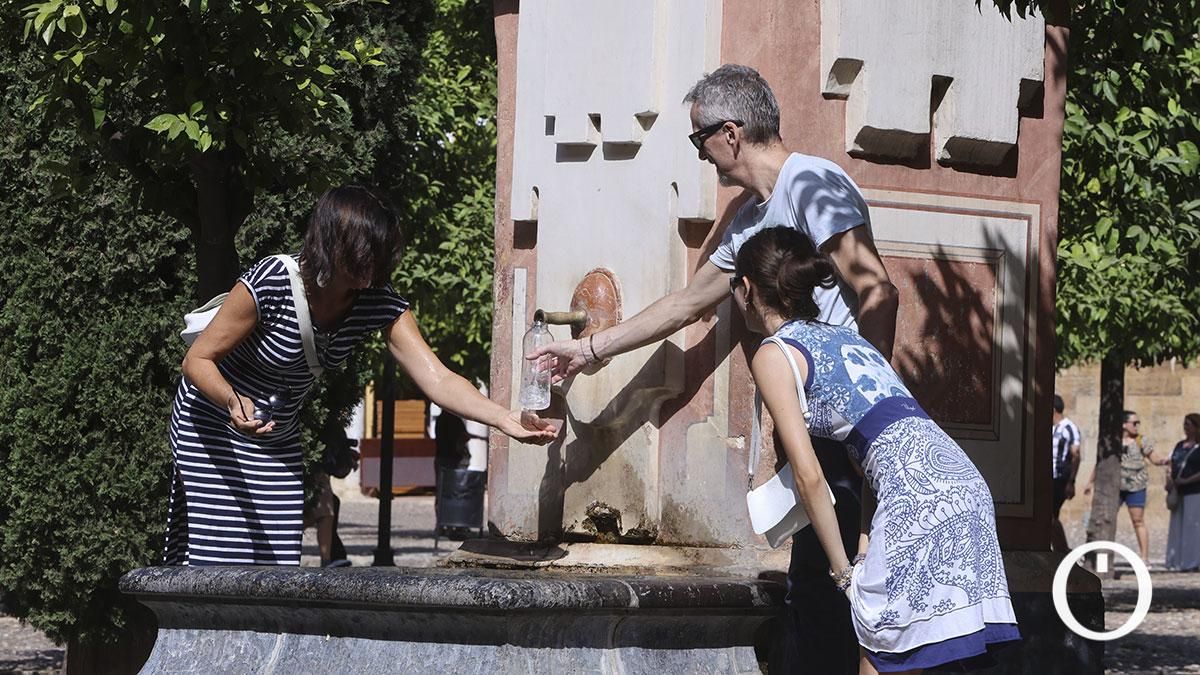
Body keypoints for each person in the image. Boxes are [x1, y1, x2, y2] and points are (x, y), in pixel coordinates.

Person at [531, 63, 898, 674]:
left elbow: (879, 292)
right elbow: (685, 304)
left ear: (730, 133)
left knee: (832, 595)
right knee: (814, 591)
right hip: (810, 430)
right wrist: (591, 350)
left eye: (697, 137)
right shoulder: (751, 217)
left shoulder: (813, 185)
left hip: (849, 430)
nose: (698, 154)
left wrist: (873, 413)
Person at [163, 185, 558, 566]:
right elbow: (197, 360)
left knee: (276, 561)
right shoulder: (273, 281)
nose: (372, 268)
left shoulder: (376, 302)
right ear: (333, 243)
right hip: (212, 423)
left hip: (275, 435)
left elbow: (438, 378)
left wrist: (503, 418)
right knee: (217, 556)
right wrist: (233, 401)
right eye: (364, 253)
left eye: (380, 254)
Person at [733, 226, 1018, 673]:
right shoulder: (850, 339)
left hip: (915, 494)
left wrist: (843, 573)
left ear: (745, 288)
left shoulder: (774, 354)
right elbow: (870, 457)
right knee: (920, 657)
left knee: (882, 653)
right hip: (960, 481)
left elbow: (810, 477)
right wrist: (866, 546)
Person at [1084, 410, 1169, 563]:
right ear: (1124, 424)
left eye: (1138, 423)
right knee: (1105, 519)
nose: (1137, 426)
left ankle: (1144, 557)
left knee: (1138, 521)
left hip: (1136, 486)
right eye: (1134, 423)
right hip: (1114, 487)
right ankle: (1099, 557)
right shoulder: (1112, 441)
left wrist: (1164, 461)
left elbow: (1154, 457)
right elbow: (1101, 463)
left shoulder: (1141, 441)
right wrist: (1090, 482)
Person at [1166, 413, 1200, 571]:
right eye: (1184, 424)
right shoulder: (1180, 445)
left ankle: (1191, 562)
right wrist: (1169, 481)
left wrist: (1187, 480)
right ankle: (1176, 560)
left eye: (1189, 424)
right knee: (1177, 525)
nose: (1186, 427)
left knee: (1192, 527)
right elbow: (1172, 464)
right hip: (1178, 490)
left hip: (1194, 490)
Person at [1051, 394, 1082, 552]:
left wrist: (1071, 482)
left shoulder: (1069, 428)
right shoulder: (1053, 429)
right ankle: (1059, 550)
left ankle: (1062, 550)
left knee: (1050, 516)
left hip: (1061, 478)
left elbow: (1076, 455)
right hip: (1050, 478)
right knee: (1049, 516)